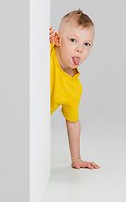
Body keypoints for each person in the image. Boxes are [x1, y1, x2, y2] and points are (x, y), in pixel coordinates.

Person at [49, 9, 100, 170]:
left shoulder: (74, 88)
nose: (80, 49)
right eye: (73, 40)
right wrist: (41, 34)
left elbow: (73, 122)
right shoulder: (46, 48)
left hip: (27, 123)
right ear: (58, 39)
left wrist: (76, 158)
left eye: (86, 44)